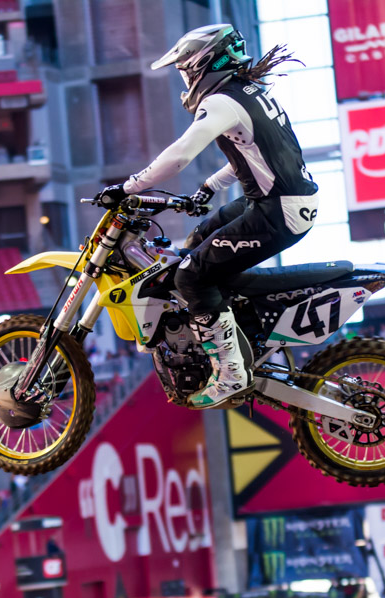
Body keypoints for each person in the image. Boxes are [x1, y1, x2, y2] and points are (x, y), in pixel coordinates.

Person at [97, 24, 318, 408]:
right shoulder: (247, 93)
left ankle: (232, 373)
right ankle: (234, 333)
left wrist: (128, 187)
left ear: (202, 64)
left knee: (190, 275)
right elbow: (251, 155)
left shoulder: (220, 102)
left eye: (185, 70)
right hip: (277, 202)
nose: (184, 79)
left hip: (277, 211)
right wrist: (209, 188)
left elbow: (180, 155)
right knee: (199, 240)